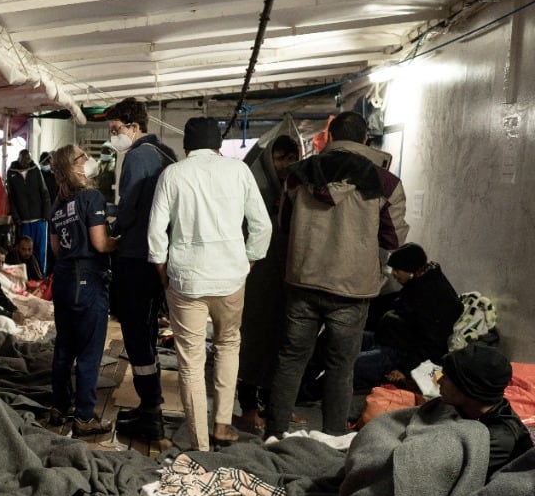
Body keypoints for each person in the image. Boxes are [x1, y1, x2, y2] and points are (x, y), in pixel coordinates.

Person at [264, 111, 409, 438]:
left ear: (329, 139)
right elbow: (393, 239)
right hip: (352, 289)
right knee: (341, 369)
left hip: (304, 279)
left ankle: (274, 435)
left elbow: (284, 226)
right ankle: (332, 441)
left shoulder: (298, 175)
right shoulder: (386, 182)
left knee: (291, 360)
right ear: (365, 141)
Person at [147, 117, 272, 451]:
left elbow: (156, 232)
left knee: (190, 361)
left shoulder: (172, 174)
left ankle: (199, 443)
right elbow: (262, 225)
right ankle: (222, 424)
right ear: (218, 144)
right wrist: (249, 261)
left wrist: (162, 270)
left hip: (186, 280)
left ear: (186, 146)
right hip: (230, 278)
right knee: (229, 345)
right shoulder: (239, 171)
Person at [104, 96, 178, 441]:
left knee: (136, 334)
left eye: (116, 129)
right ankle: (152, 405)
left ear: (135, 127)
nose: (112, 135)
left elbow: (129, 207)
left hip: (135, 257)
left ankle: (151, 409)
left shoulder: (136, 157)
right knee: (147, 329)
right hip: (160, 258)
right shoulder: (167, 155)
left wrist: (110, 229)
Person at [48, 143, 117, 436]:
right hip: (87, 281)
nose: (87, 159)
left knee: (64, 347)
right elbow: (101, 243)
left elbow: (54, 248)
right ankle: (86, 416)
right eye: (82, 156)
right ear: (74, 165)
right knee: (89, 351)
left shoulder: (57, 203)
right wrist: (121, 240)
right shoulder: (92, 197)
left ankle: (60, 407)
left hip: (62, 280)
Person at [237, 132, 301, 432]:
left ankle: (276, 409)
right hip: (256, 278)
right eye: (280, 158)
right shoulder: (254, 186)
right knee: (254, 342)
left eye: (292, 158)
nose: (286, 165)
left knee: (282, 343)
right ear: (269, 159)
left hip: (284, 277)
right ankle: (249, 410)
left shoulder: (295, 189)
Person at [354, 243, 463, 390]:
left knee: (350, 364)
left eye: (397, 270)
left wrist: (404, 369)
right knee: (335, 340)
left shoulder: (433, 297)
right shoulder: (417, 282)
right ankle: (311, 382)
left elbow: (431, 344)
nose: (393, 274)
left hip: (401, 354)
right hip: (385, 340)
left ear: (410, 269)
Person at [436, 345, 532, 480]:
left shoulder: (497, 439)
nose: (438, 381)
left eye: (446, 378)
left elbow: (446, 474)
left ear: (468, 389)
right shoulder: (467, 408)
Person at [5, 149, 51, 275]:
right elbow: (11, 196)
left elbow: (44, 192)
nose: (26, 162)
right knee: (24, 252)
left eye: (28, 159)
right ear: (19, 158)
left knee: (41, 251)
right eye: (24, 159)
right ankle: (25, 277)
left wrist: (46, 215)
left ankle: (42, 277)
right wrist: (16, 216)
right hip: (24, 221)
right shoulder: (11, 173)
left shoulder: (35, 170)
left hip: (39, 220)